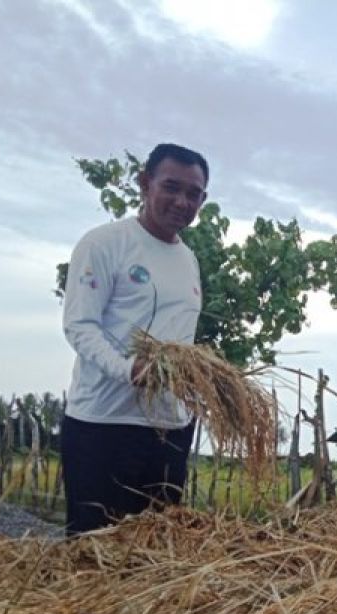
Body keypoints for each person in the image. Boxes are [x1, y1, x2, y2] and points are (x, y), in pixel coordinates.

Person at [60, 143, 209, 534]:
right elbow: (80, 325)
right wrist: (128, 370)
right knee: (94, 553)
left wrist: (196, 384)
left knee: (156, 556)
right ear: (145, 184)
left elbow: (182, 340)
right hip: (104, 426)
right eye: (171, 187)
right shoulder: (104, 244)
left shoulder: (189, 261)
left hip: (168, 429)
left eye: (193, 194)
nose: (182, 201)